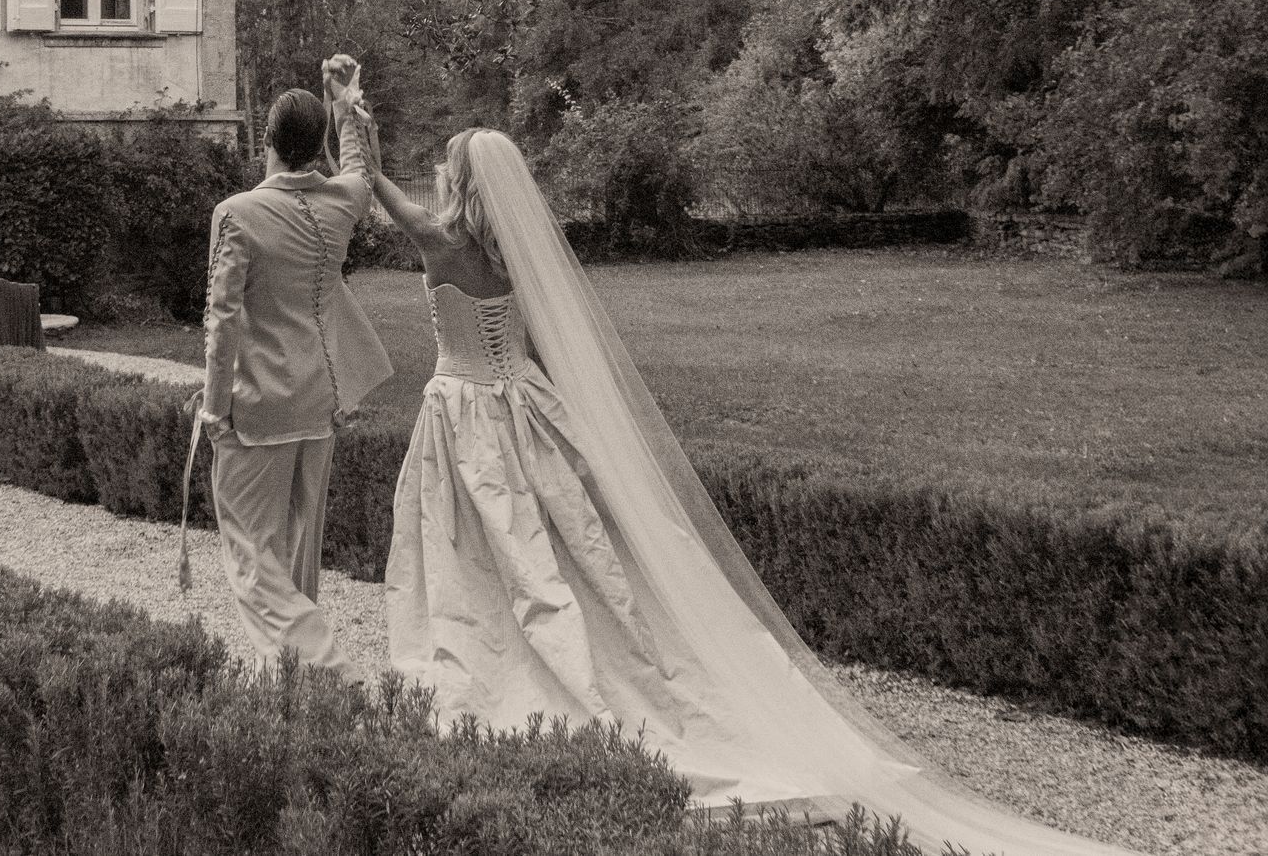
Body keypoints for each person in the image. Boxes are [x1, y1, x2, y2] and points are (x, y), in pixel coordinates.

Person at [336, 84, 1140, 856]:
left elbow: (376, 190)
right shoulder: (521, 259)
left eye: (447, 166)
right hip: (528, 407)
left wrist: (353, 117)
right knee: (559, 550)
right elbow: (543, 349)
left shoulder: (441, 244)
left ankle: (504, 667)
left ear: (461, 182)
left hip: (464, 412)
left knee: (482, 551)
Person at [185, 73, 392, 684]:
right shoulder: (346, 201)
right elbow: (356, 164)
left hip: (259, 407)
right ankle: (291, 682)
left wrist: (214, 409)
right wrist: (346, 104)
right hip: (319, 401)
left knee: (252, 558)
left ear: (267, 142)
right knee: (298, 552)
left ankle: (330, 671)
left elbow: (221, 322)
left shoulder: (238, 214)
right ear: (317, 141)